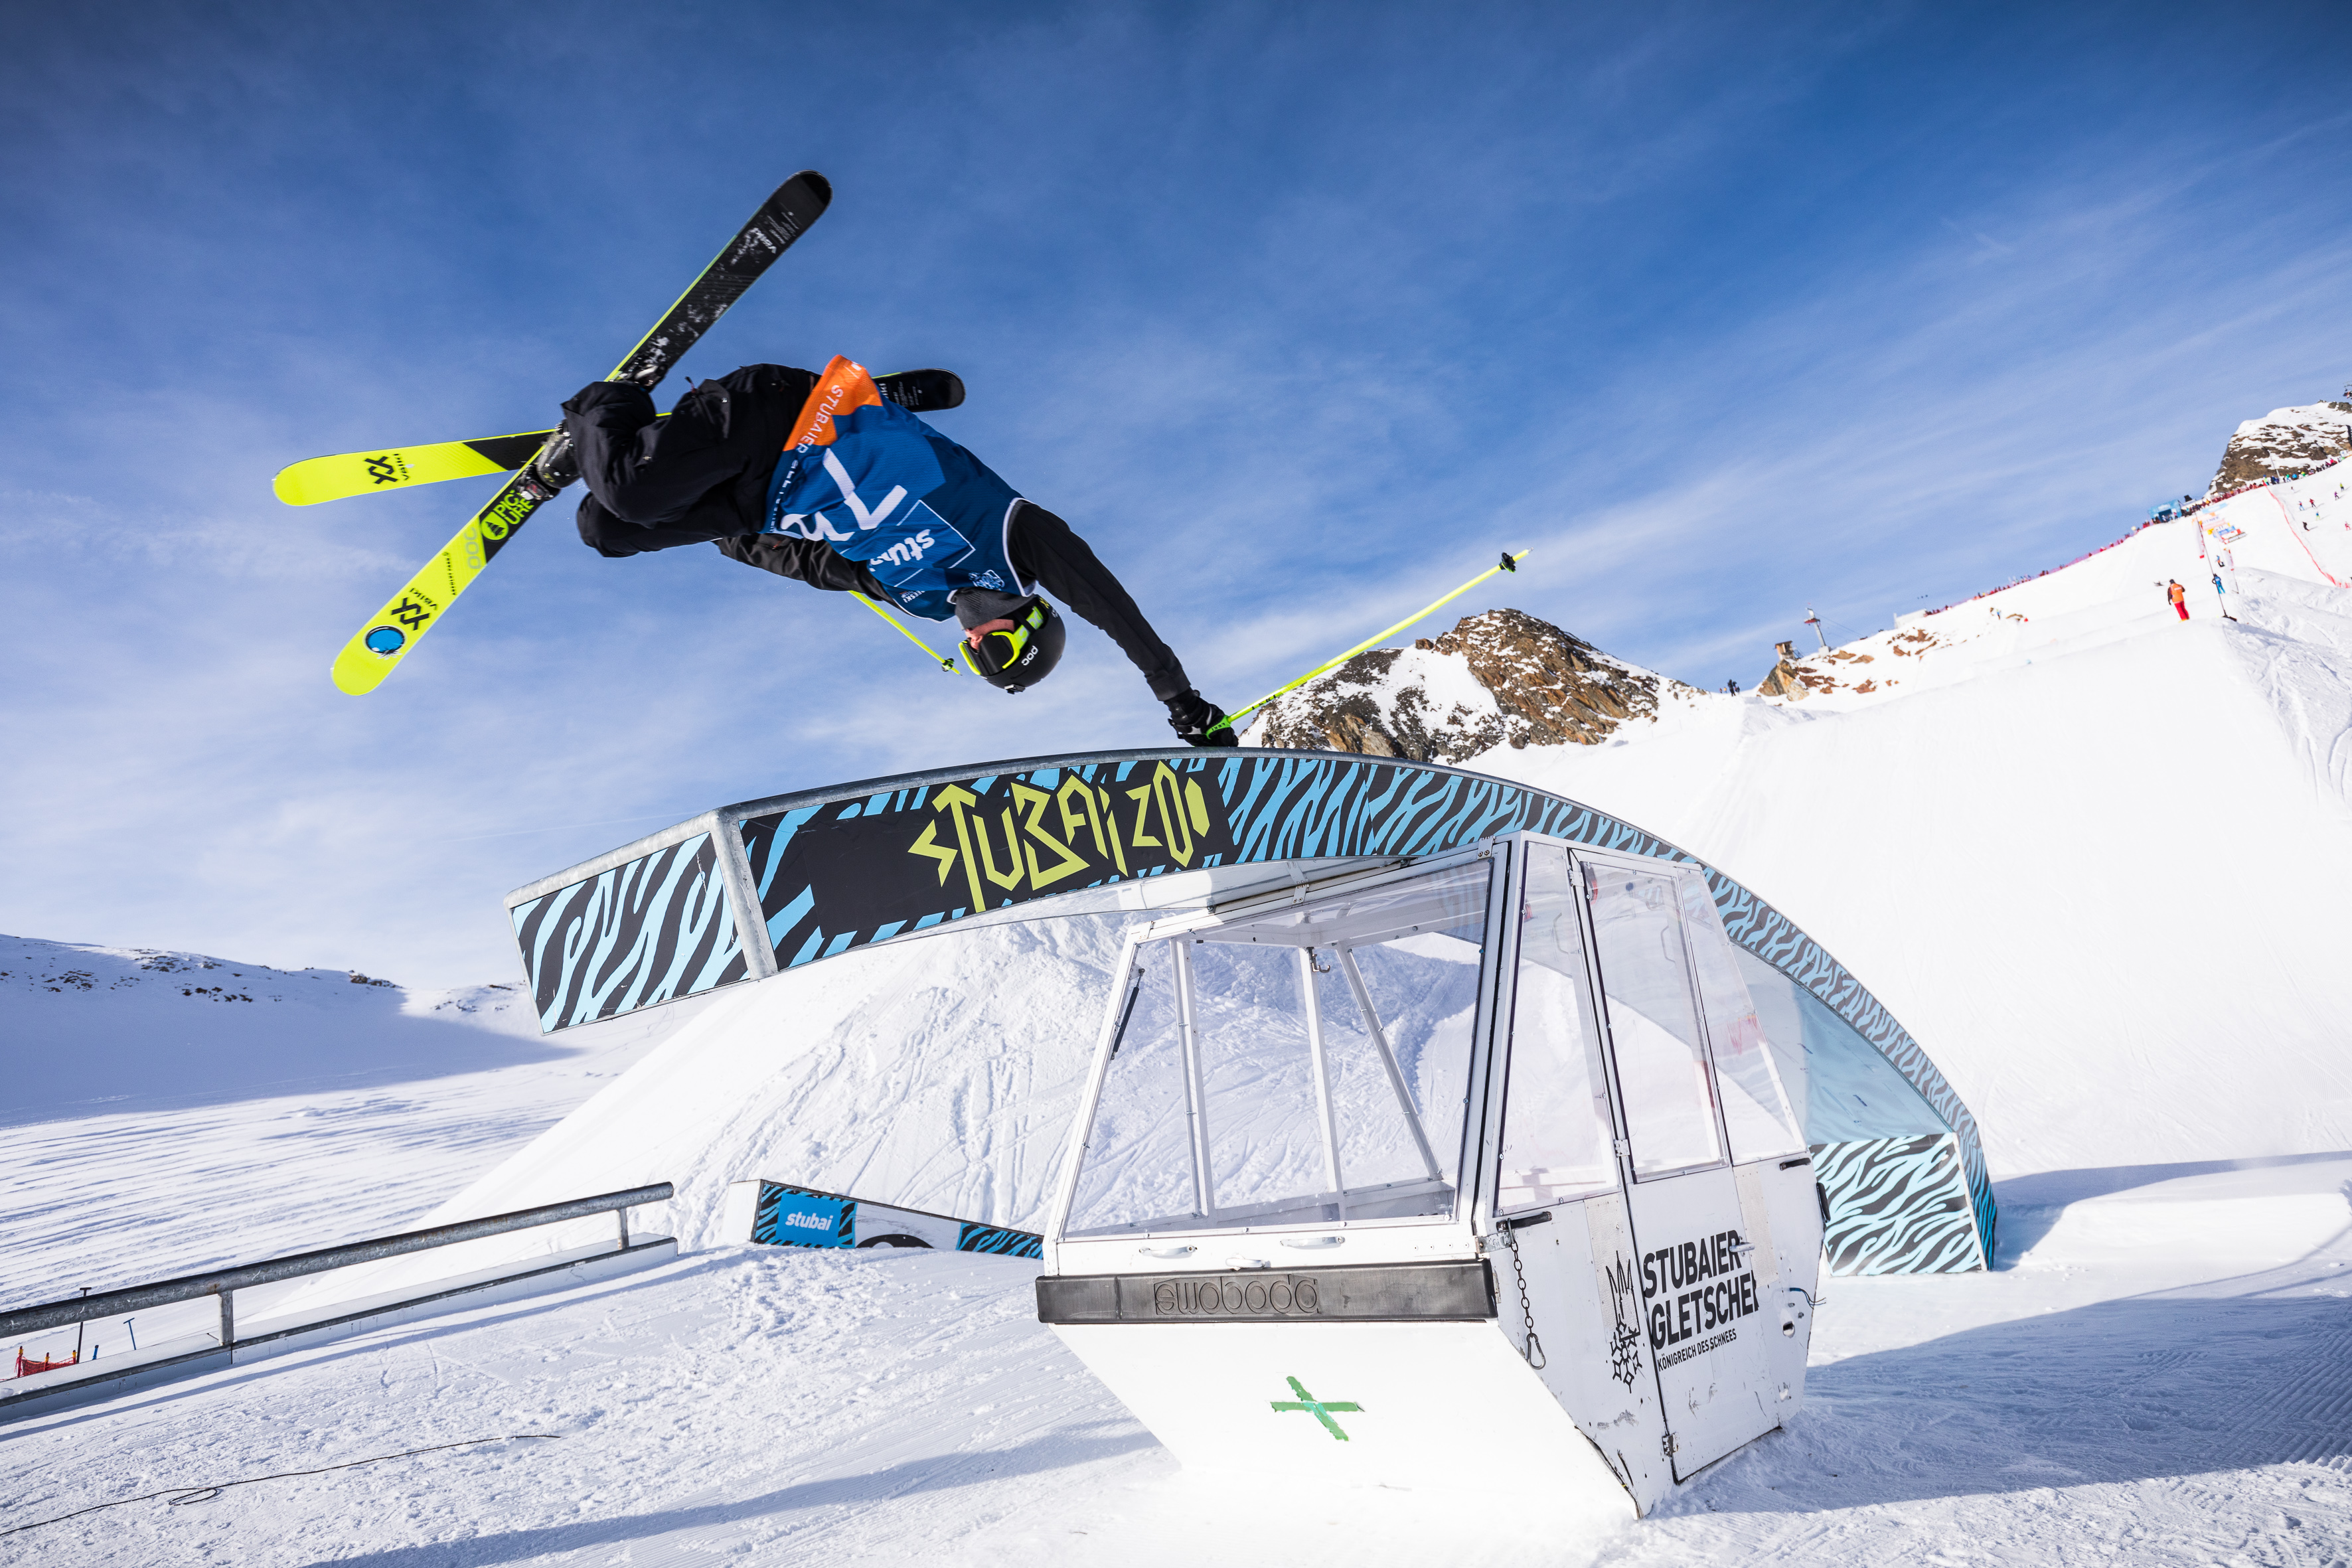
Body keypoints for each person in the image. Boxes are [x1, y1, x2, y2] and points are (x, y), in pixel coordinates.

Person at [542, 356, 1237, 745]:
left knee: (604, 529)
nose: (971, 642)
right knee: (631, 491)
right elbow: (1109, 604)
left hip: (764, 505)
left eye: (976, 660)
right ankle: (606, 407)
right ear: (1030, 620)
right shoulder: (1014, 539)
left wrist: (729, 540)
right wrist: (1180, 698)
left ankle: (619, 460)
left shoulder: (919, 596)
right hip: (788, 423)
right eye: (993, 651)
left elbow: (817, 565)